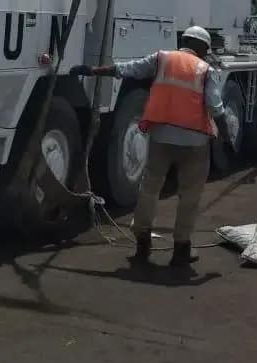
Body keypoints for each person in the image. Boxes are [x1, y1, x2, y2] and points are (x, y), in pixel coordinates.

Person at [69, 25, 238, 268]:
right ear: (201, 47)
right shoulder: (205, 69)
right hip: (194, 143)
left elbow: (127, 69)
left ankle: (142, 245)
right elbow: (216, 107)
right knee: (189, 196)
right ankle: (181, 250)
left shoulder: (161, 59)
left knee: (149, 189)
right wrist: (226, 140)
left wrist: (92, 70)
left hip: (160, 137)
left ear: (185, 40)